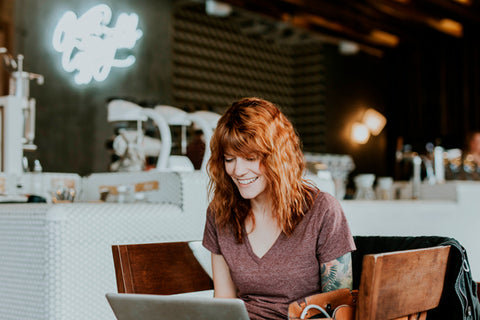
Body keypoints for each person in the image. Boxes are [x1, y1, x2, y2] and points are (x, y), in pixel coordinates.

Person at [202, 97, 356, 320]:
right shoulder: (219, 214)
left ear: (277, 157)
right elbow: (224, 302)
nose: (238, 170)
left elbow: (340, 309)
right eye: (229, 159)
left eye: (251, 158)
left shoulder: (322, 210)